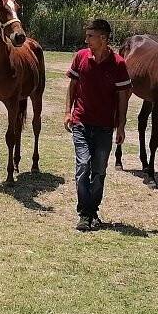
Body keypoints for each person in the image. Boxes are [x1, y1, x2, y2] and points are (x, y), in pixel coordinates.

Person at [64, 18, 132, 231]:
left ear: (103, 38)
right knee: (83, 165)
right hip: (81, 123)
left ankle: (93, 211)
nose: (86, 40)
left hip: (104, 127)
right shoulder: (81, 57)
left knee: (99, 171)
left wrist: (120, 126)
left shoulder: (119, 64)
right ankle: (84, 213)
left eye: (90, 36)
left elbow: (123, 98)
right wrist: (68, 112)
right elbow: (72, 86)